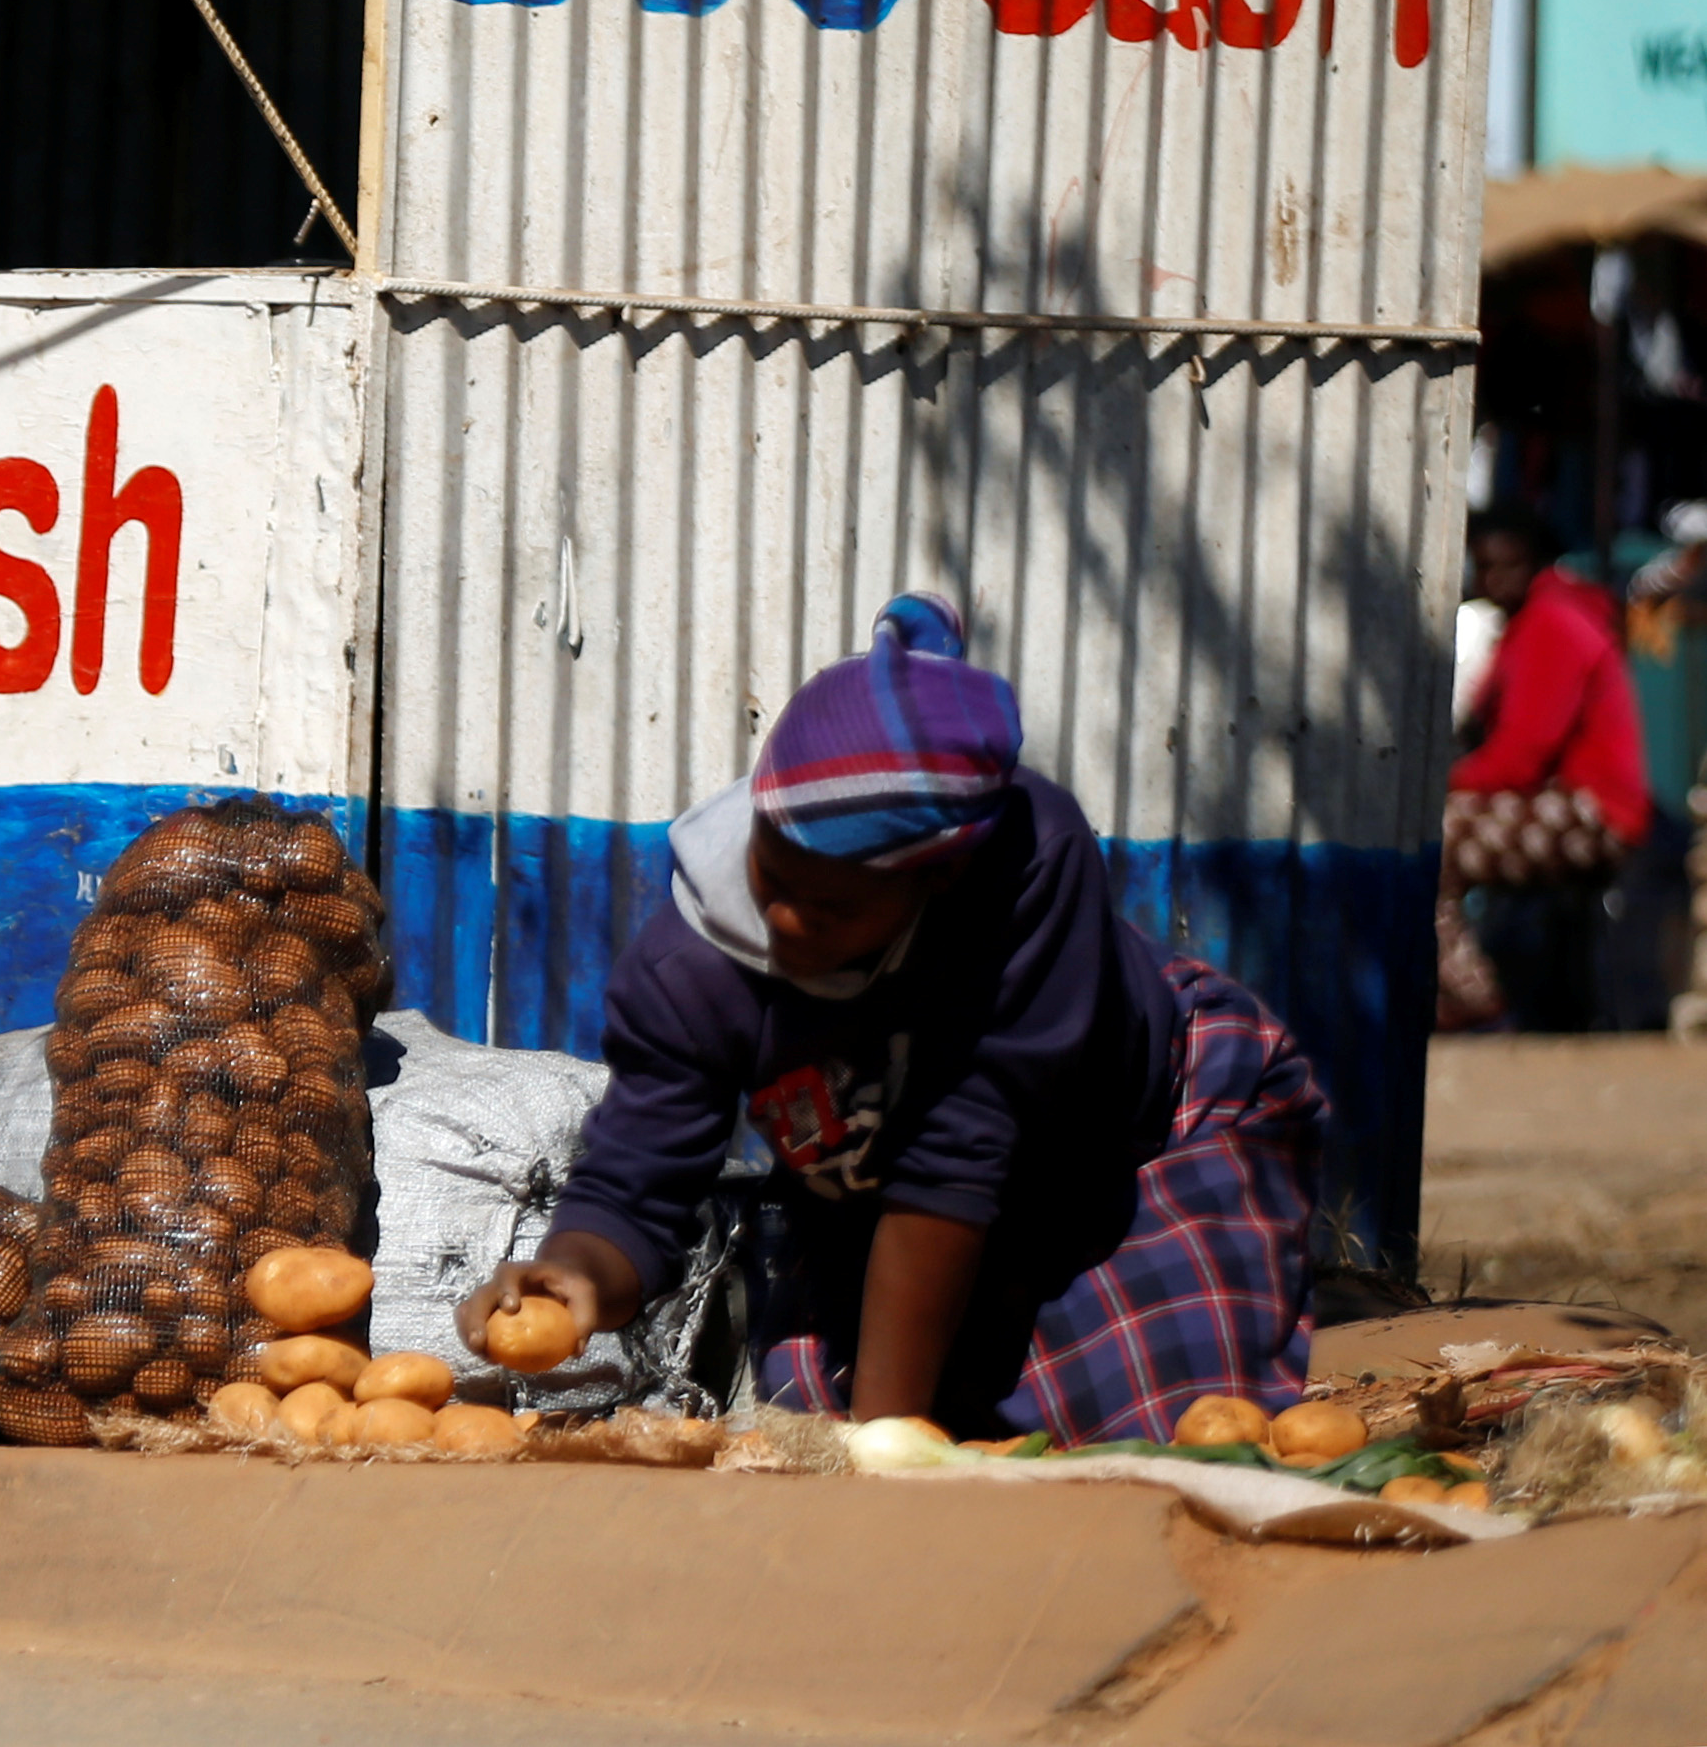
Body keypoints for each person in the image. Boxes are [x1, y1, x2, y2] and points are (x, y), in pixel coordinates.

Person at [453, 595, 1324, 1442]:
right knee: (809, 1409)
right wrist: (575, 1271)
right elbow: (637, 1176)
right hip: (890, 1210)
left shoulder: (1028, 872)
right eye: (772, 876)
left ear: (932, 883)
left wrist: (885, 1442)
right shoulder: (688, 968)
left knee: (1152, 1414)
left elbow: (959, 1155)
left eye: (829, 909)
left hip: (1128, 1142)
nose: (784, 922)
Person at [1444, 506, 1653, 1033]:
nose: (1493, 580)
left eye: (1508, 566)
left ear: (1538, 564)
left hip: (1596, 812)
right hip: (1570, 806)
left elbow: (1520, 757)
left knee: (1432, 839)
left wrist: (1432, 788)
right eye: (1485, 567)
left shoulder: (1552, 623)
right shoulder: (1534, 621)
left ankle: (1472, 1001)